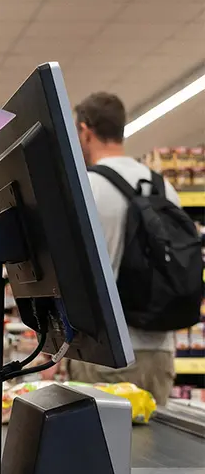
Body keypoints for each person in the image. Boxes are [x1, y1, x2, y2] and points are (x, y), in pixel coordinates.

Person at [73, 91, 179, 405]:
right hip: (159, 352)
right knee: (157, 452)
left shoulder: (86, 186)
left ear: (84, 130)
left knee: (104, 450)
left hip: (107, 354)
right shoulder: (163, 187)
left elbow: (76, 275)